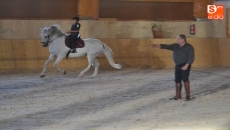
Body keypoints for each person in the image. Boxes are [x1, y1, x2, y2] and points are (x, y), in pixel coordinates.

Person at [151, 34, 195, 101]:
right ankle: (178, 95)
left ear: (183, 39)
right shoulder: (175, 46)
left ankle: (187, 95)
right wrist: (157, 45)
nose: (176, 40)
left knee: (185, 79)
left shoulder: (189, 47)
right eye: (176, 38)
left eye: (178, 39)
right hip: (177, 65)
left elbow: (191, 57)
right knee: (177, 80)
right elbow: (167, 46)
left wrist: (186, 65)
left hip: (185, 65)